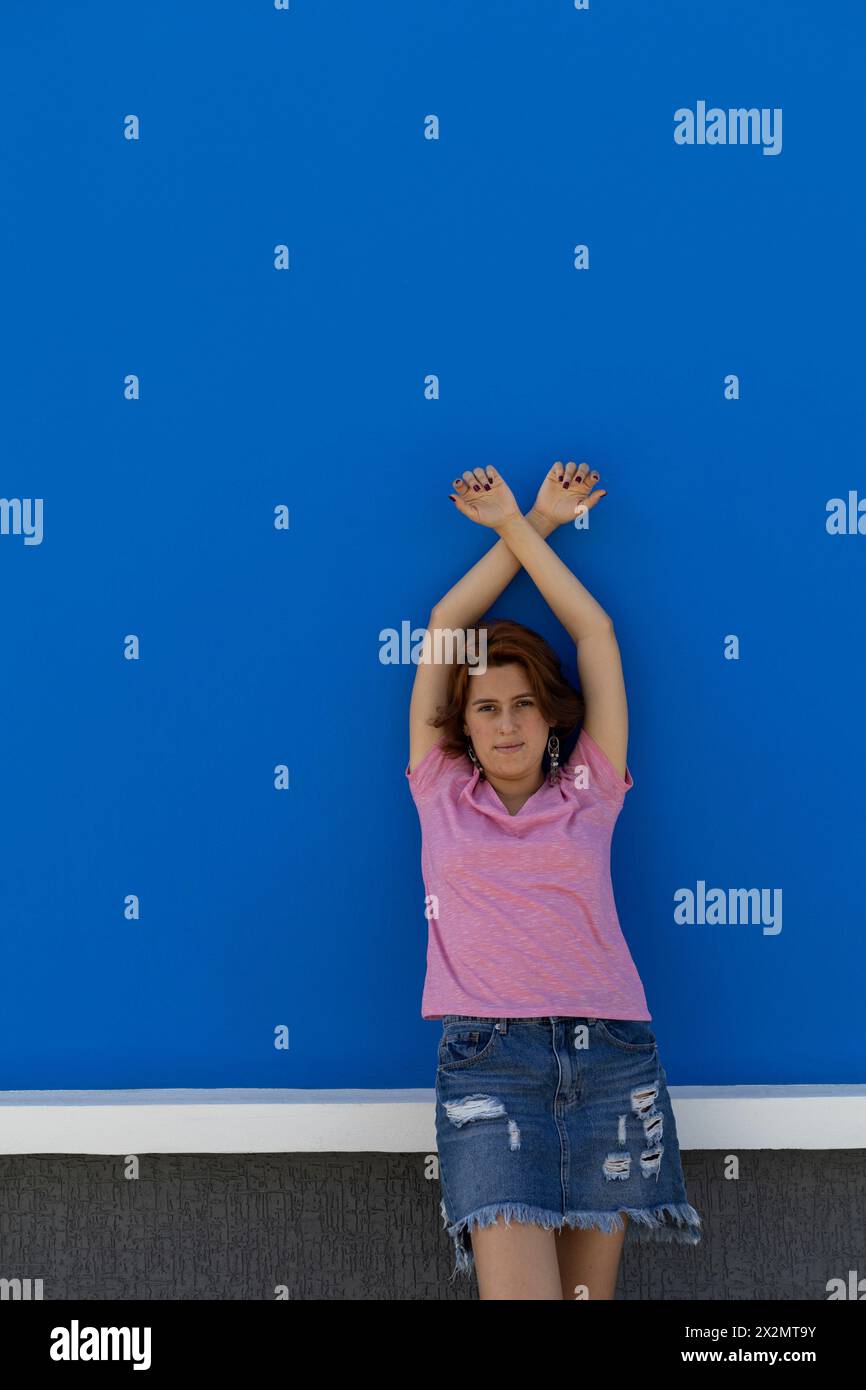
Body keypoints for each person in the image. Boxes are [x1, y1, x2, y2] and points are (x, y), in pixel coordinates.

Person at [405, 460, 702, 1300]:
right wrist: (521, 519)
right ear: (461, 722)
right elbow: (445, 621)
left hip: (609, 1056)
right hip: (490, 1068)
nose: (506, 724)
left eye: (523, 704)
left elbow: (595, 634)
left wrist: (527, 525)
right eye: (486, 707)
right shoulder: (440, 792)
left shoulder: (590, 793)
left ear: (551, 716)